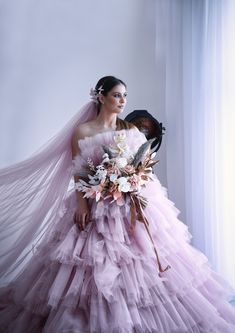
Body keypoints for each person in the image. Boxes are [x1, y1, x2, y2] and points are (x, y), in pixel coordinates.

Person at [0, 76, 235, 332]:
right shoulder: (83, 131)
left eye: (124, 95)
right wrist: (81, 205)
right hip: (96, 205)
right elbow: (79, 172)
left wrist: (136, 189)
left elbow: (141, 169)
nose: (122, 101)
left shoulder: (131, 131)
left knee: (141, 264)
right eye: (116, 95)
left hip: (129, 204)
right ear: (101, 97)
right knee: (91, 265)